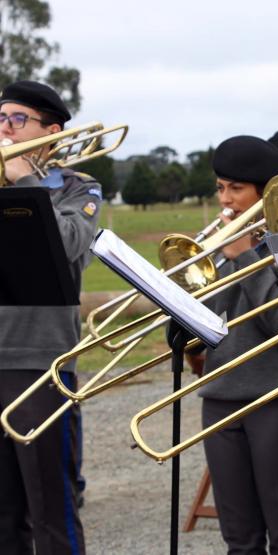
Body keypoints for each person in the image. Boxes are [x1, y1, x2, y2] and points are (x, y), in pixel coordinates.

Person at [196, 135, 278, 554]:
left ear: (262, 194)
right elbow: (203, 326)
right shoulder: (216, 246)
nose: (225, 200)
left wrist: (245, 256)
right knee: (238, 536)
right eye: (220, 187)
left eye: (236, 189)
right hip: (220, 398)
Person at [0, 80, 100, 555]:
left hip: (39, 364)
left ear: (52, 131)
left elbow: (66, 247)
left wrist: (24, 181)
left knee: (51, 509)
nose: (4, 129)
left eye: (17, 120)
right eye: (0, 119)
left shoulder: (77, 189)